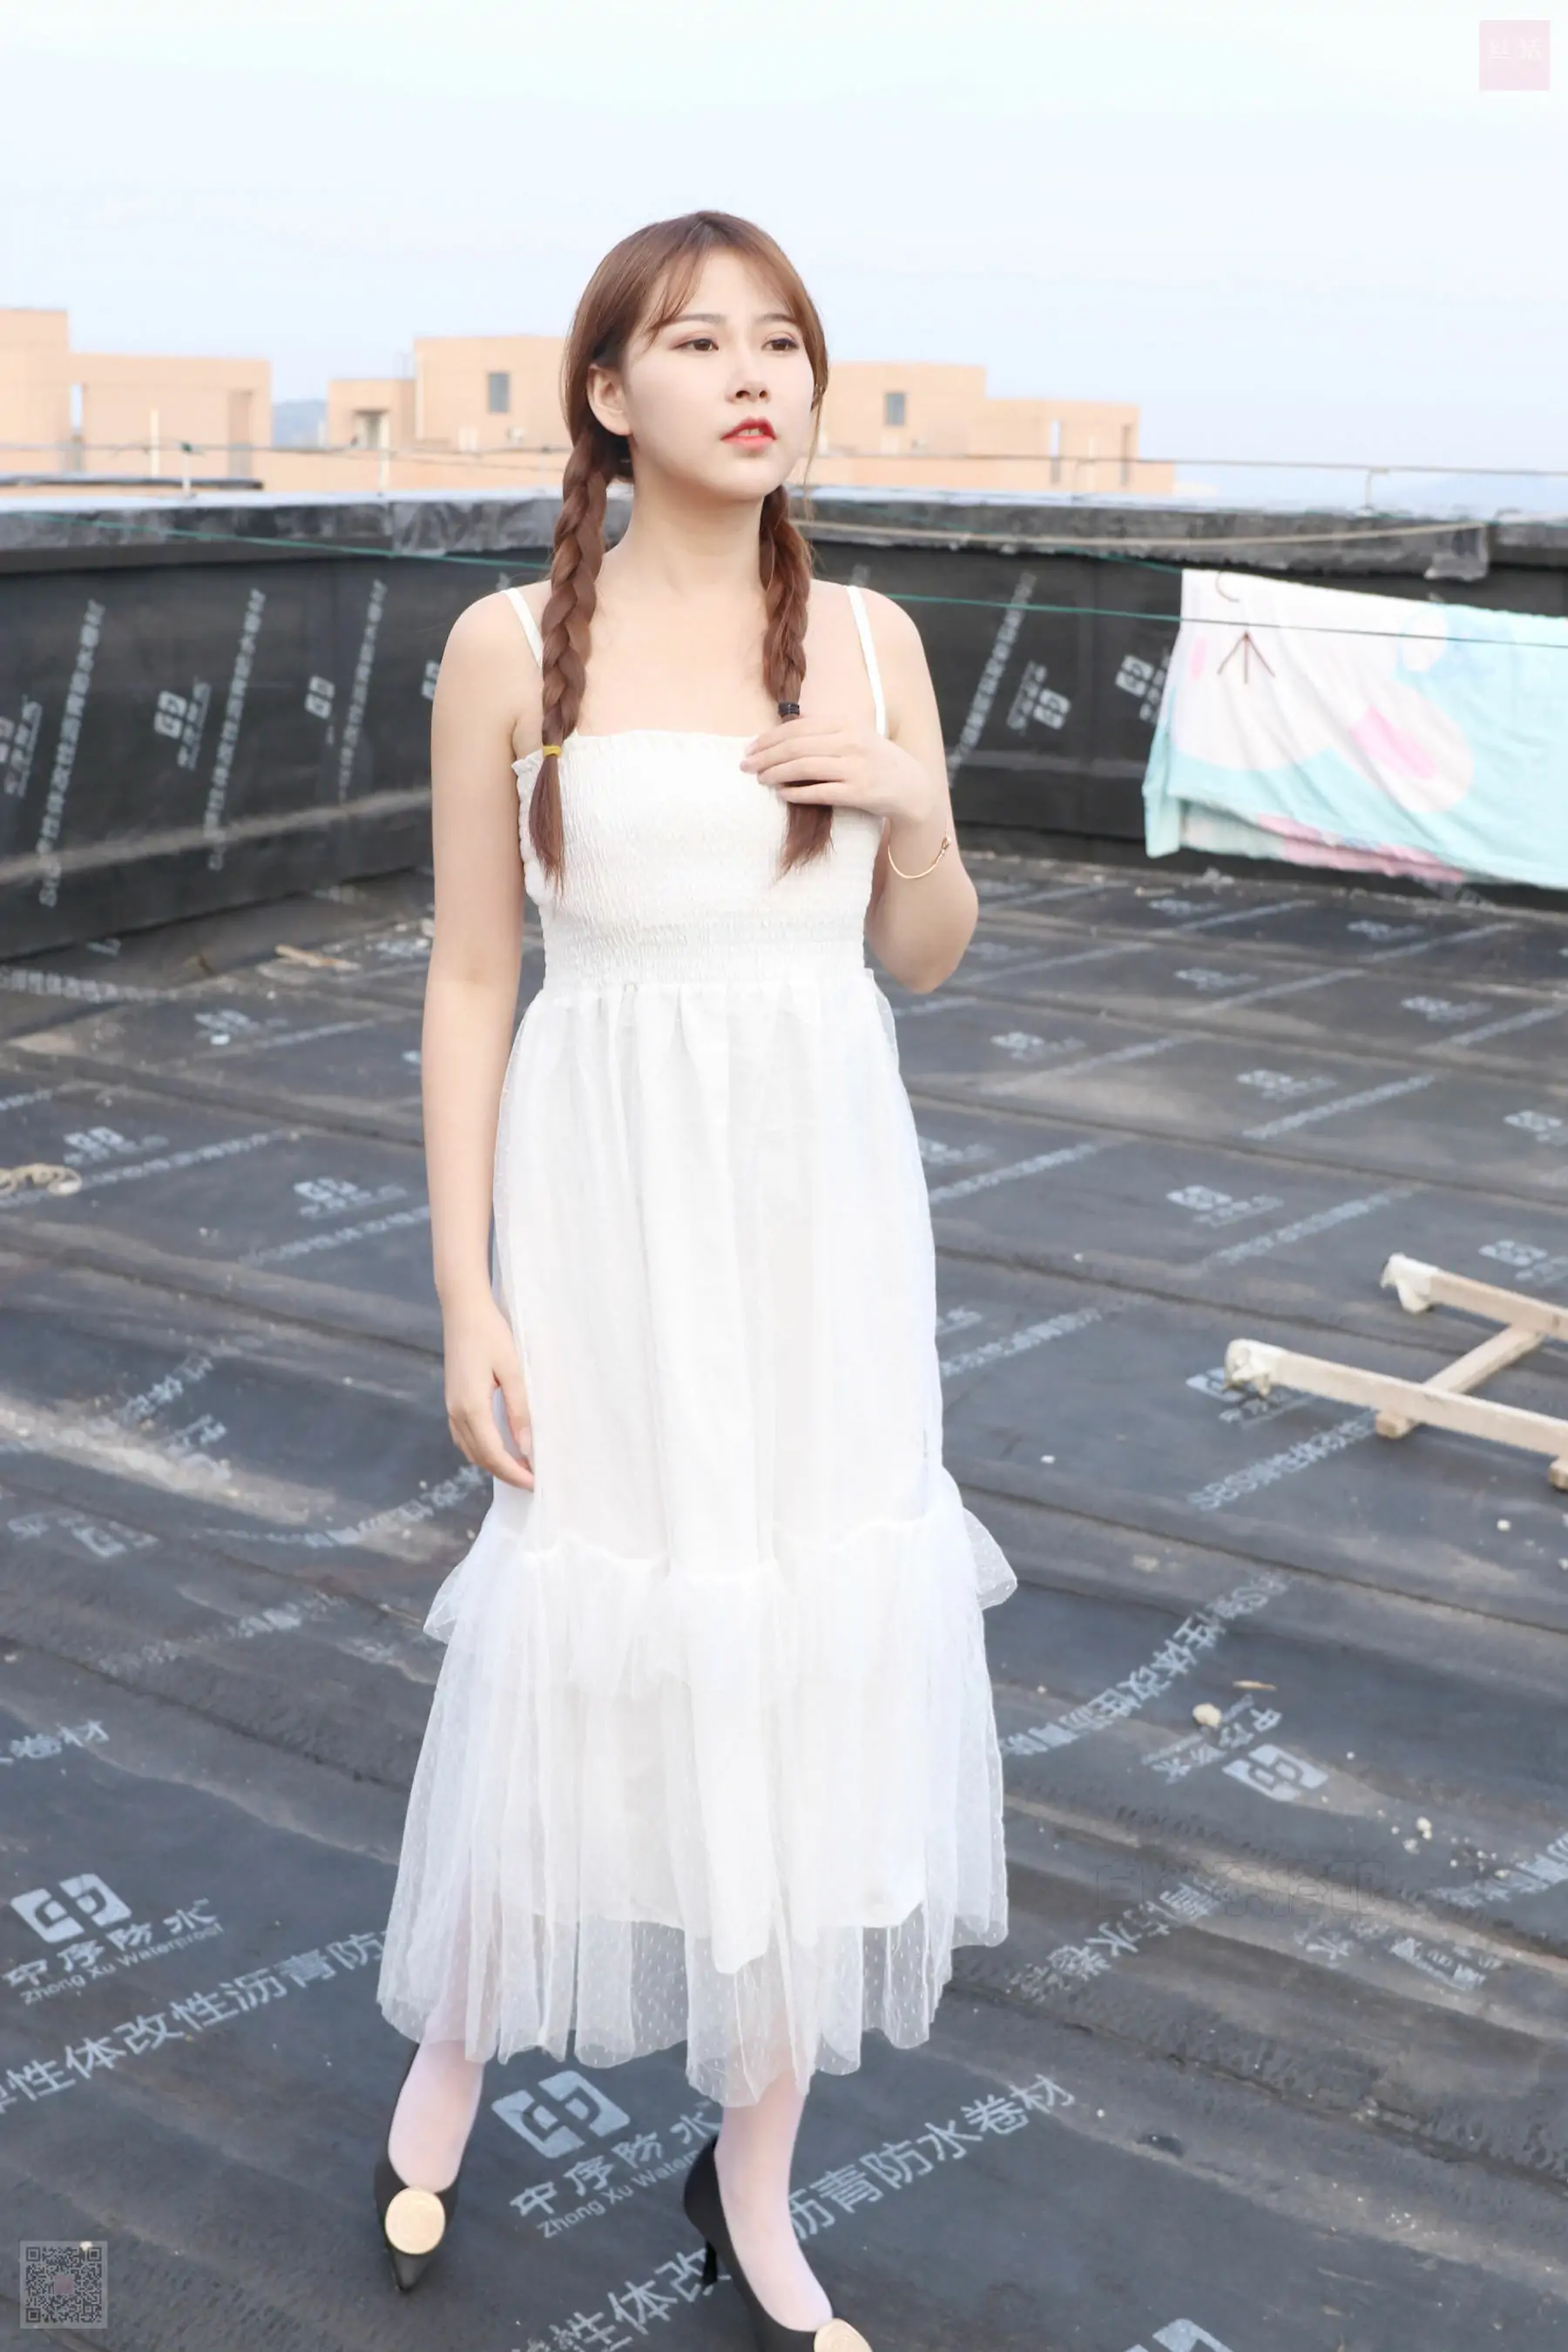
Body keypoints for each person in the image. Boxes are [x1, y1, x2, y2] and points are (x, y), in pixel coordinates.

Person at [371, 209, 1017, 2349]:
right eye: (700, 341)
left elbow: (923, 955)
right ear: (605, 393)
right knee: (583, 1614)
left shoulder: (874, 641)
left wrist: (917, 812)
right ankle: (458, 2036)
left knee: (811, 1641)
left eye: (784, 343)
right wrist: (468, 1292)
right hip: (607, 1219)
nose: (755, 376)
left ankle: (754, 2161)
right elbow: (476, 978)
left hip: (822, 1221)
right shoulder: (502, 646)